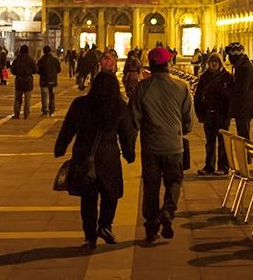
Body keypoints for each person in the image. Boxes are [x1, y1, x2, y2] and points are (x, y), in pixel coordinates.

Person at [54, 71, 136, 250]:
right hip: (108, 155)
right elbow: (127, 133)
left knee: (88, 197)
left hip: (84, 154)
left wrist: (60, 147)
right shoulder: (119, 106)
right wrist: (129, 153)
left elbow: (68, 128)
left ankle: (90, 236)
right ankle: (105, 225)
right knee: (110, 193)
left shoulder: (80, 104)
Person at [129, 46, 193, 243]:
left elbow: (134, 118)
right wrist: (180, 129)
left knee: (151, 186)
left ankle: (151, 227)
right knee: (174, 181)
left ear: (151, 65)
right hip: (174, 145)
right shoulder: (181, 86)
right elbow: (188, 120)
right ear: (168, 64)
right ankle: (168, 211)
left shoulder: (142, 88)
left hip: (151, 146)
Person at [193, 52, 232, 175]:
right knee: (209, 142)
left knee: (222, 142)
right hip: (208, 114)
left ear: (220, 63)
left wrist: (228, 113)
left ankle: (223, 166)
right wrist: (200, 113)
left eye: (216, 61)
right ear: (208, 63)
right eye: (212, 61)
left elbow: (231, 97)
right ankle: (209, 166)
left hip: (222, 114)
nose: (214, 63)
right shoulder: (204, 77)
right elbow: (198, 96)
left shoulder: (227, 77)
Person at [226, 43, 253, 139]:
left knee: (244, 135)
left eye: (230, 56)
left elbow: (242, 89)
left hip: (243, 107)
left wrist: (229, 89)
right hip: (242, 106)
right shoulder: (240, 65)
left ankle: (246, 149)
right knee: (242, 132)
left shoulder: (244, 67)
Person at [10, 44, 37, 119]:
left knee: (18, 99)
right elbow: (36, 69)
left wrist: (17, 73)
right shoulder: (30, 60)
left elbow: (12, 70)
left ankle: (16, 114)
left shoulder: (17, 60)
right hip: (28, 81)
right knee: (27, 99)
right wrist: (30, 72)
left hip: (19, 80)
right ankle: (26, 114)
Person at [37, 45, 61, 116]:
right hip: (53, 80)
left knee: (44, 96)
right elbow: (59, 70)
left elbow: (38, 70)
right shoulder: (55, 60)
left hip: (44, 80)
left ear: (44, 52)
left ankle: (45, 111)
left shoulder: (41, 60)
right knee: (52, 96)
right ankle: (52, 110)